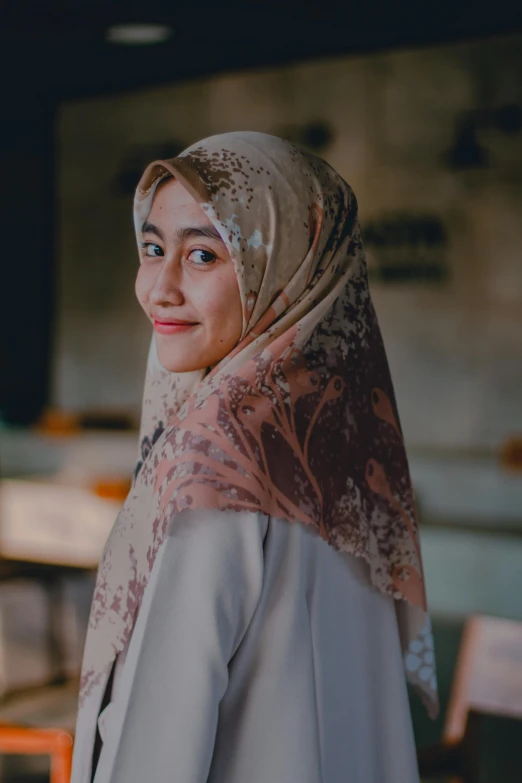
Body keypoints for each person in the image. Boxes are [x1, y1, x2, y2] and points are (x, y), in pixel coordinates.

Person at [71, 131, 438, 783]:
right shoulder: (340, 432)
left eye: (204, 255)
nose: (160, 287)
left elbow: (158, 738)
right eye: (153, 248)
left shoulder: (215, 457)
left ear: (288, 264)